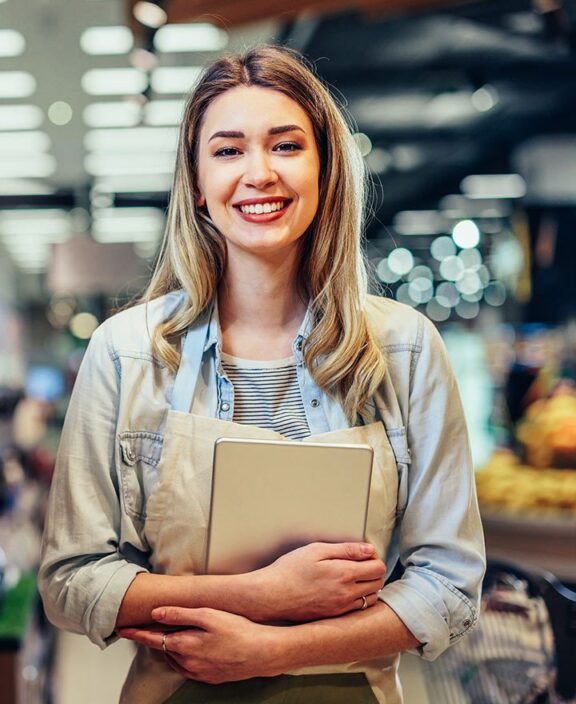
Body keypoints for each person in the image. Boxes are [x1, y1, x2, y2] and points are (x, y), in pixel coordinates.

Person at [38, 45, 485, 704]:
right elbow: (71, 582)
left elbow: (449, 585)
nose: (259, 174)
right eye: (227, 150)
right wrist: (259, 595)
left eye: (285, 146)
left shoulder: (404, 350)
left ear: (325, 168)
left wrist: (272, 649)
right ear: (195, 182)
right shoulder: (124, 352)